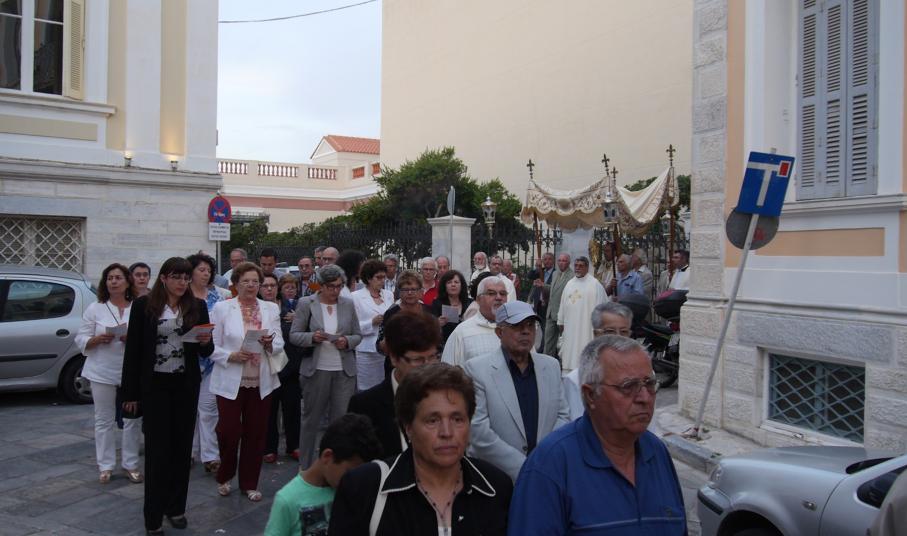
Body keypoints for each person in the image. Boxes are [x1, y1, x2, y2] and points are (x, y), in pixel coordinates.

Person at [507, 335, 687, 535]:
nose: (645, 398)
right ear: (591, 395)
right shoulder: (549, 465)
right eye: (629, 386)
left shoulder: (657, 452)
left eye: (650, 384)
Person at [329, 363, 513, 536]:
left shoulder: (496, 488)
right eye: (433, 420)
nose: (447, 432)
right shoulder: (365, 488)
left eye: (457, 419)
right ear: (408, 427)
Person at [121, 257, 215, 534]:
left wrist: (206, 341)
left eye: (186, 278)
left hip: (185, 384)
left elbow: (206, 351)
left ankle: (176, 508)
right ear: (163, 278)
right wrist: (130, 393)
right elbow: (133, 352)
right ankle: (153, 516)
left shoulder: (197, 306)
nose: (182, 283)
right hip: (155, 386)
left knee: (182, 450)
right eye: (176, 277)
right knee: (157, 452)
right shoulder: (144, 306)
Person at [464, 301, 570, 481]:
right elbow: (479, 432)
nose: (526, 331)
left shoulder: (551, 366)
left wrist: (543, 459)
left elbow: (563, 416)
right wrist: (527, 469)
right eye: (517, 326)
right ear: (499, 332)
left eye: (530, 325)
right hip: (498, 479)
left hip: (547, 473)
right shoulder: (477, 370)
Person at [210, 262, 285, 502]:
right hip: (230, 378)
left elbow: (279, 342)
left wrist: (270, 344)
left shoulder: (270, 308)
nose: (251, 286)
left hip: (261, 379)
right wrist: (230, 356)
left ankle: (249, 483)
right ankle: (225, 474)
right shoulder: (222, 308)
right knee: (228, 432)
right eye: (246, 281)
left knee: (256, 433)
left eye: (255, 282)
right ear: (235, 284)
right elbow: (211, 345)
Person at [76, 263, 143, 484]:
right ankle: (105, 465)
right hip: (101, 369)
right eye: (109, 278)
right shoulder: (95, 308)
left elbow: (148, 337)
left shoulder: (139, 307)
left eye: (118, 278)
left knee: (132, 418)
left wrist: (131, 338)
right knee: (103, 419)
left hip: (131, 370)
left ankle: (130, 463)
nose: (113, 282)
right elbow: (81, 338)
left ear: (127, 282)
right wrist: (96, 340)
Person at [290, 264, 362, 468]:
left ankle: (334, 468)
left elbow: (358, 335)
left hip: (343, 370)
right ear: (320, 286)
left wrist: (346, 341)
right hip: (316, 369)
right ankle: (305, 468)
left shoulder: (348, 304)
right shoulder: (306, 303)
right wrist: (312, 337)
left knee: (340, 424)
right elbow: (294, 335)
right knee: (311, 420)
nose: (335, 291)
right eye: (331, 286)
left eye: (339, 286)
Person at [264, 413, 383, 536]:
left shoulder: (351, 491)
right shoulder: (287, 500)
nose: (355, 481)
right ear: (327, 456)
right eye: (349, 473)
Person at [348, 311, 441, 457]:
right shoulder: (364, 406)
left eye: (433, 357)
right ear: (394, 358)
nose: (427, 366)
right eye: (417, 360)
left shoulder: (447, 399)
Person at [187, 253, 224, 473]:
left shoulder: (217, 297)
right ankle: (189, 450)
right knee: (189, 408)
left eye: (209, 271)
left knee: (209, 408)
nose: (206, 274)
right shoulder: (182, 297)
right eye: (201, 270)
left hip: (212, 358)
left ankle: (210, 455)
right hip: (188, 358)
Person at [563, 302, 632, 420]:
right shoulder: (576, 380)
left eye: (624, 332)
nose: (618, 338)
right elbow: (576, 422)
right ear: (596, 334)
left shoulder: (643, 374)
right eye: (610, 331)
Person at [264, 274, 305, 463]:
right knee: (269, 410)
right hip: (267, 365)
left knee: (292, 408)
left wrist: (298, 319)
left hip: (290, 365)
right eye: (265, 285)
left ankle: (293, 445)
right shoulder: (257, 308)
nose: (269, 289)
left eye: (272, 285)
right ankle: (269, 448)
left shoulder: (292, 307)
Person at [442, 276, 507, 367]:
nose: (499, 297)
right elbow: (447, 371)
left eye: (503, 294)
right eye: (491, 293)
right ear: (478, 300)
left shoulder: (515, 328)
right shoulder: (462, 332)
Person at [557, 256, 607, 371]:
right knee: (569, 359)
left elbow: (602, 309)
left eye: (581, 266)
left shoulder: (595, 285)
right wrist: (561, 321)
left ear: (587, 268)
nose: (577, 268)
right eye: (576, 265)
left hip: (587, 329)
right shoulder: (569, 284)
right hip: (570, 329)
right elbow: (563, 305)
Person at [351, 259, 394, 391]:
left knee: (385, 386)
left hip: (386, 348)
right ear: (369, 278)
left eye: (383, 277)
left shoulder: (389, 295)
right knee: (366, 388)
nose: (382, 281)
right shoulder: (356, 297)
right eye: (378, 277)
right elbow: (353, 326)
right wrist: (371, 322)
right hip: (366, 350)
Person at [377, 270, 432, 355]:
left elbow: (438, 342)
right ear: (400, 292)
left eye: (413, 289)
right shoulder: (391, 314)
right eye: (405, 289)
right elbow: (380, 347)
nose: (409, 293)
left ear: (421, 291)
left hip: (424, 360)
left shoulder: (429, 312)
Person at [431, 270, 472, 346]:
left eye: (456, 282)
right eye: (449, 282)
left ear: (462, 285)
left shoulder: (470, 303)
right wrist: (437, 323)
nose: (453, 285)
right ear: (444, 286)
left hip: (467, 343)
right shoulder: (437, 304)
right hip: (445, 344)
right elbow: (430, 328)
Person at [543, 253, 573, 359]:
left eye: (564, 261)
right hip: (551, 313)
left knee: (564, 342)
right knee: (548, 341)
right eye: (559, 260)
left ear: (569, 262)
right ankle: (547, 362)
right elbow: (553, 290)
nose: (561, 263)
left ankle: (564, 362)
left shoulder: (572, 276)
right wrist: (543, 286)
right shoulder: (555, 273)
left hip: (563, 315)